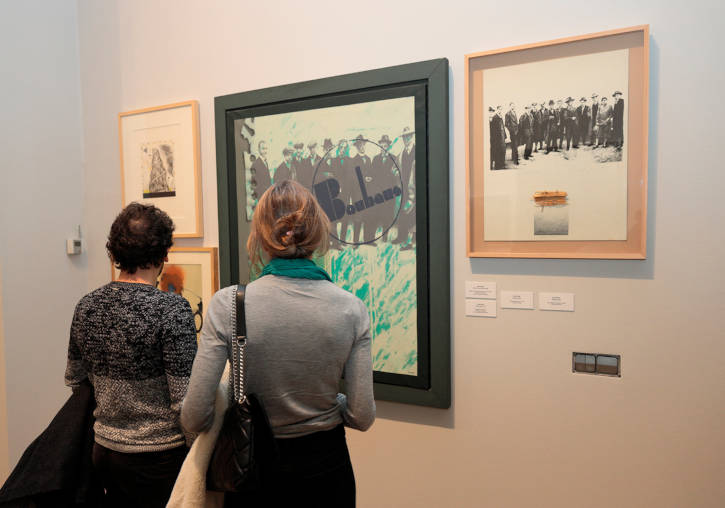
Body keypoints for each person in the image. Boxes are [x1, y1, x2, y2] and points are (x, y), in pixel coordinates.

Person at [181, 180, 375, 507]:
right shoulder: (351, 309)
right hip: (327, 471)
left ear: (260, 235)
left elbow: (194, 416)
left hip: (253, 470)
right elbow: (361, 415)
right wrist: (329, 400)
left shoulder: (228, 304)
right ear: (316, 233)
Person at [65, 202, 197, 508]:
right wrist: (197, 453)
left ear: (114, 252)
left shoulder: (86, 305)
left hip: (104, 451)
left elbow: (75, 379)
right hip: (158, 456)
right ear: (164, 254)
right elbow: (184, 399)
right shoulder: (172, 310)